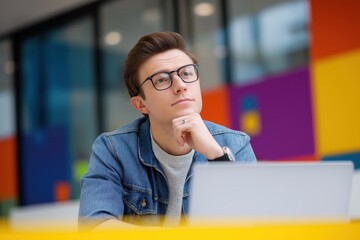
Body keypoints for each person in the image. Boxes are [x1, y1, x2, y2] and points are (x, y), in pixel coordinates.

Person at [78, 31, 256, 229]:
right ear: (140, 105)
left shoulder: (235, 145)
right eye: (162, 79)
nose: (180, 86)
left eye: (186, 73)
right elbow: (95, 227)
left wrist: (216, 157)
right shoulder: (113, 150)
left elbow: (255, 225)